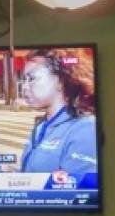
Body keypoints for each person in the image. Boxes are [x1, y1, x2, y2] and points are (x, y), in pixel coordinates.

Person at [18, 49, 99, 177]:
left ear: (61, 81)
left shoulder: (85, 129)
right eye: (24, 80)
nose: (24, 87)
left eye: (31, 78)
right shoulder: (41, 126)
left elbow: (79, 191)